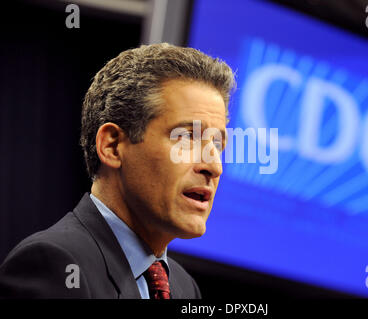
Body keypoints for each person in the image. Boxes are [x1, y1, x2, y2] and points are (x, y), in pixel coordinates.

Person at [0, 43, 235, 299]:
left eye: (216, 144)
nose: (213, 166)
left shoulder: (184, 288)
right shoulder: (56, 266)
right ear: (112, 146)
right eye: (187, 137)